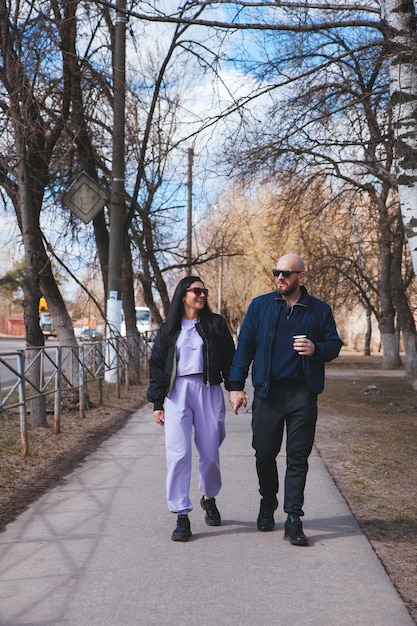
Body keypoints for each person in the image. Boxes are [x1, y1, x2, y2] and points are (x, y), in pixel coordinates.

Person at [228, 254, 342, 546]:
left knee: (297, 458)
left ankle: (293, 518)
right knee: (264, 453)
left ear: (301, 277)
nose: (280, 277)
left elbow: (334, 345)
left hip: (303, 394)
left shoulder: (318, 310)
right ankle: (268, 502)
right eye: (276, 272)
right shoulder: (260, 306)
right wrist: (236, 386)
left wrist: (316, 348)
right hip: (268, 394)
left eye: (287, 273)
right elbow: (245, 348)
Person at [147, 276, 235, 542]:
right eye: (197, 290)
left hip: (208, 390)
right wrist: (157, 403)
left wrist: (235, 389)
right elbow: (157, 365)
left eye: (204, 291)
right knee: (179, 454)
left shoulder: (215, 324)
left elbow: (231, 359)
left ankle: (209, 497)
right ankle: (181, 515)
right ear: (182, 295)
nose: (202, 294)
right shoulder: (168, 329)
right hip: (177, 393)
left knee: (210, 453)